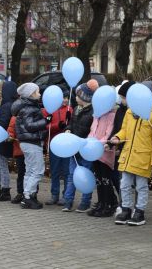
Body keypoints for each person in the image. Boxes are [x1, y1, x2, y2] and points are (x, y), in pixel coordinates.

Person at [110, 81, 152, 226]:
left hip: (143, 157)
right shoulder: (129, 112)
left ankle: (139, 211)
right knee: (124, 184)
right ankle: (126, 209)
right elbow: (124, 130)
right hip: (128, 156)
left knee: (141, 186)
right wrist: (118, 137)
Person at [11, 83, 50, 209]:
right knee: (38, 170)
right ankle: (28, 196)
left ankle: (27, 195)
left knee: (30, 170)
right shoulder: (29, 108)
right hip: (32, 142)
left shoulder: (26, 106)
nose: (39, 94)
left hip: (26, 142)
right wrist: (46, 121)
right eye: (37, 92)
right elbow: (30, 126)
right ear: (31, 94)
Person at [62, 79, 99, 212]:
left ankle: (85, 201)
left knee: (86, 175)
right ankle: (68, 201)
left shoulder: (93, 112)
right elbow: (71, 123)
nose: (76, 98)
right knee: (71, 175)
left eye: (78, 95)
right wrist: (68, 129)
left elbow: (93, 130)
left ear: (84, 97)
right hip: (74, 148)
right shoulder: (76, 109)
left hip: (86, 149)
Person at [42, 90, 72, 206]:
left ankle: (66, 195)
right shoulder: (48, 110)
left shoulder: (70, 110)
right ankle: (54, 195)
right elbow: (45, 126)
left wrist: (68, 125)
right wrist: (57, 125)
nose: (65, 100)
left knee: (66, 171)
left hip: (66, 145)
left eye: (66, 97)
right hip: (54, 143)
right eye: (62, 98)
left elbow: (72, 124)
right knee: (54, 171)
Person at [86, 107, 117, 217]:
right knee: (98, 179)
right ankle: (101, 202)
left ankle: (109, 204)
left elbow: (109, 134)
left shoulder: (112, 115)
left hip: (105, 151)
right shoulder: (96, 115)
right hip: (95, 152)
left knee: (105, 179)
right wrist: (89, 142)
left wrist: (97, 144)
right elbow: (92, 131)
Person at [7, 115, 26, 204]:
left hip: (30, 149)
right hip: (19, 150)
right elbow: (11, 130)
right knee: (21, 173)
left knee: (30, 174)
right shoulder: (15, 117)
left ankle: (30, 194)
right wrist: (10, 136)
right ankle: (20, 193)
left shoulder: (33, 113)